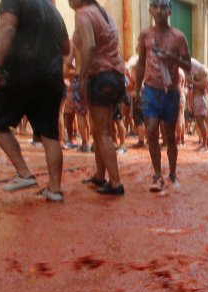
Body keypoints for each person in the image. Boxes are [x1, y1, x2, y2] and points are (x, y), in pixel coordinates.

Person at [0, 0, 70, 202]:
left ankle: (24, 173)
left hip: (20, 73)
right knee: (50, 135)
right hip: (51, 77)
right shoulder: (54, 11)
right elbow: (66, 48)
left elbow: (7, 26)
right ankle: (55, 189)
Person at [71, 0, 126, 195]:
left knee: (102, 133)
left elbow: (89, 46)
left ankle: (116, 182)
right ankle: (101, 176)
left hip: (100, 75)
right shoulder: (105, 14)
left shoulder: (83, 13)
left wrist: (83, 76)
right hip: (116, 75)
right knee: (100, 131)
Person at [135, 0, 191, 190]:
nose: (159, 11)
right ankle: (157, 174)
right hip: (151, 89)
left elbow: (188, 65)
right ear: (150, 10)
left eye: (163, 7)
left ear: (169, 11)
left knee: (169, 136)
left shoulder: (179, 37)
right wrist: (136, 88)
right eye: (155, 7)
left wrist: (173, 58)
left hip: (171, 91)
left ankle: (173, 174)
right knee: (151, 130)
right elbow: (141, 62)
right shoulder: (145, 34)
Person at [189, 57, 208, 151]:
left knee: (201, 121)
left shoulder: (203, 71)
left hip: (201, 98)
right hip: (198, 98)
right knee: (199, 121)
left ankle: (205, 144)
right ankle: (204, 143)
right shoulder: (199, 71)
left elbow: (203, 85)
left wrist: (192, 81)